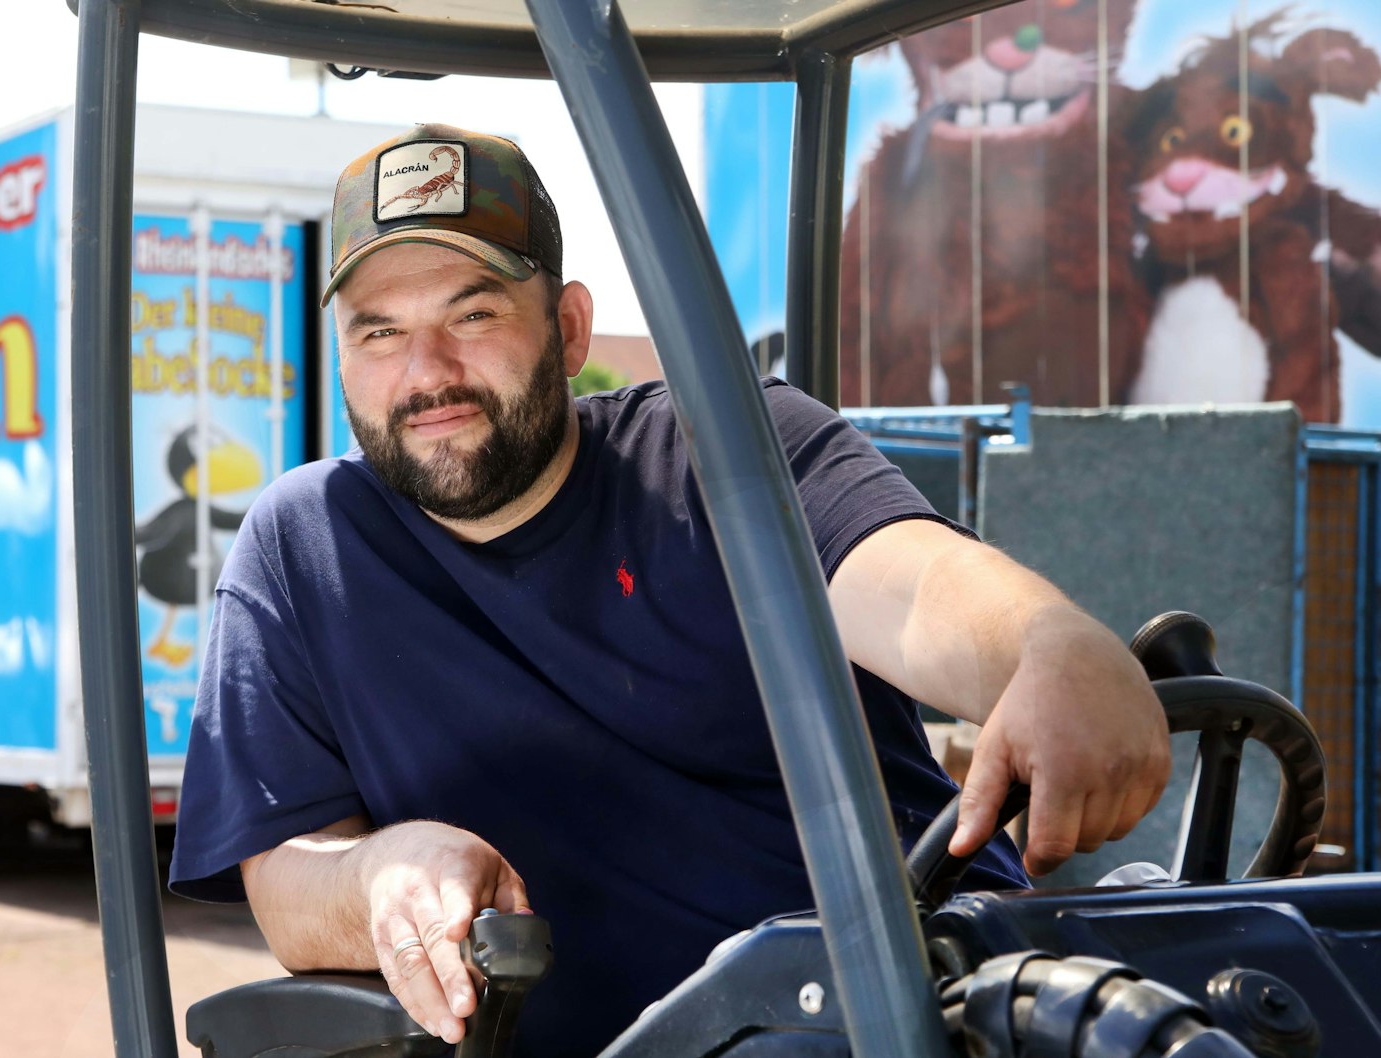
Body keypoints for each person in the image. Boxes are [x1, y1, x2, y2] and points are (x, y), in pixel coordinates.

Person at [169, 123, 1171, 1058]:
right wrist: (380, 869)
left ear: (565, 329)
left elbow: (911, 586)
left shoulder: (722, 452)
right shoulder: (303, 552)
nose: (426, 373)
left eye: (471, 313)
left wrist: (1046, 644)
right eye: (377, 332)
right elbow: (286, 878)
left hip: (915, 1008)